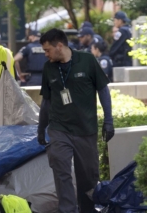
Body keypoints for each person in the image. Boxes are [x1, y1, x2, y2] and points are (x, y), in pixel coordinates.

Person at [37, 28, 114, 213]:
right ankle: (68, 210)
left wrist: (109, 120)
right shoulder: (49, 67)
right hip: (59, 128)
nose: (45, 54)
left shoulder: (87, 61)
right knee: (60, 168)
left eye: (47, 50)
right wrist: (41, 128)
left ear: (60, 46)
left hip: (86, 129)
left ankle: (87, 209)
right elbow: (46, 101)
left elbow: (103, 90)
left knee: (88, 177)